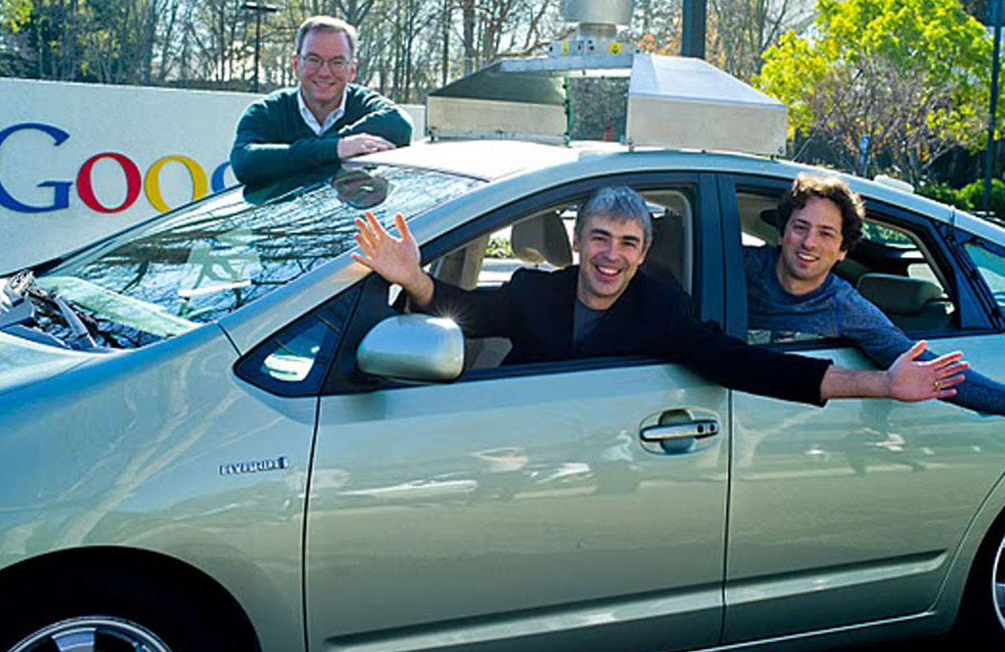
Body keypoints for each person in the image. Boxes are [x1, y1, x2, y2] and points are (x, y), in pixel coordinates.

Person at [352, 186, 968, 407]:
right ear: (577, 240)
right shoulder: (534, 291)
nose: (610, 255)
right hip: (530, 446)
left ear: (644, 252)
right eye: (599, 238)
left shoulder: (660, 309)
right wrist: (411, 277)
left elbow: (746, 365)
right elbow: (467, 311)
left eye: (628, 242)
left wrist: (882, 383)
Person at [745, 173, 1005, 415]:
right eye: (800, 227)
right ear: (783, 233)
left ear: (843, 250)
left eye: (826, 234)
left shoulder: (844, 306)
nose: (809, 242)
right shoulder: (739, 267)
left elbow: (926, 369)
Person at [230, 16, 413, 186]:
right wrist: (337, 148)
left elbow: (400, 125)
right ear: (296, 64)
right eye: (313, 60)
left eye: (337, 62)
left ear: (352, 69)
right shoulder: (267, 111)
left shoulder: (365, 104)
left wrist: (302, 155)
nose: (324, 72)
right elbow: (243, 161)